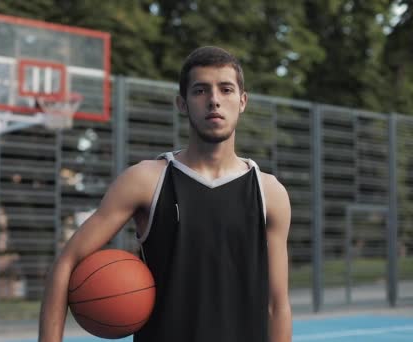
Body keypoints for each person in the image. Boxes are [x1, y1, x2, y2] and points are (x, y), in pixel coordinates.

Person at [38, 46, 292, 342]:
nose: (214, 101)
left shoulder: (269, 192)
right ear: (182, 104)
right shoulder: (147, 180)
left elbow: (277, 306)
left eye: (226, 90)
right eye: (200, 91)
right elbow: (66, 263)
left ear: (242, 101)